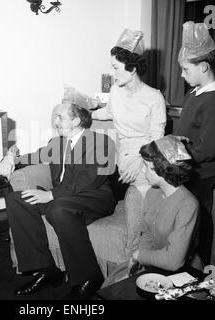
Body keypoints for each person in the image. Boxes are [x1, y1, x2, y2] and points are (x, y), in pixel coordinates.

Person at [0, 103, 116, 300]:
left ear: (76, 120)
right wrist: (11, 157)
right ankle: (46, 269)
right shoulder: (57, 143)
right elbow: (32, 157)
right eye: (55, 117)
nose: (55, 121)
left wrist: (51, 195)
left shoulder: (100, 142)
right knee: (16, 200)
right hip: (63, 197)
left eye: (60, 117)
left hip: (94, 197)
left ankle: (88, 277)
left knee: (57, 208)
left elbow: (90, 179)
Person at [91, 28, 167, 257]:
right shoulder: (115, 90)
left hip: (150, 156)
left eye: (115, 67)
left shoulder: (154, 97)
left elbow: (157, 138)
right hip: (125, 156)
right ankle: (138, 255)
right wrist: (85, 111)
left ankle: (135, 255)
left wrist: (139, 161)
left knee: (137, 196)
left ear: (132, 68)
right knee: (135, 193)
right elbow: (107, 112)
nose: (113, 73)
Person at [102, 135, 200, 288]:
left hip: (180, 271)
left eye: (147, 167)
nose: (143, 170)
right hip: (152, 262)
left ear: (163, 169)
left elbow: (174, 260)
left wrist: (139, 256)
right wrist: (140, 261)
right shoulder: (152, 193)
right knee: (111, 286)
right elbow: (146, 233)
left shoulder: (188, 205)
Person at [174, 21, 215, 266]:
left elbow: (207, 149)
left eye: (185, 70)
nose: (182, 75)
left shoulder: (212, 100)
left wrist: (177, 153)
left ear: (203, 66)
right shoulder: (194, 94)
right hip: (185, 169)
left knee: (199, 224)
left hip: (201, 175)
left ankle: (201, 271)